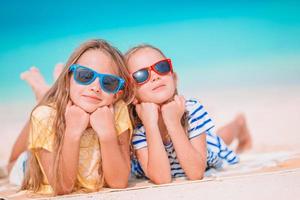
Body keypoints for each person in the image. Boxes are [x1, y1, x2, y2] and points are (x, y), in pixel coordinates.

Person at [6, 39, 134, 195]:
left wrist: (107, 135)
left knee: (48, 107)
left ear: (116, 95)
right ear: (68, 80)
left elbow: (119, 182)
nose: (95, 87)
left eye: (109, 82)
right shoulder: (45, 116)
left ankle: (47, 94)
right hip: (31, 168)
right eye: (85, 75)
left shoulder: (117, 110)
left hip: (61, 106)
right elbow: (63, 187)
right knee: (11, 163)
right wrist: (72, 133)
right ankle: (43, 96)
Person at [125, 44, 252, 184]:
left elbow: (196, 173)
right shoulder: (137, 127)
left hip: (201, 152)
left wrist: (173, 123)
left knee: (217, 142)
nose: (155, 76)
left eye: (161, 67)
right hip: (176, 147)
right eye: (141, 75)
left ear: (174, 78)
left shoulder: (191, 110)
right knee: (217, 137)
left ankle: (238, 124)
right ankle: (239, 123)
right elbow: (161, 179)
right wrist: (150, 125)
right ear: (132, 94)